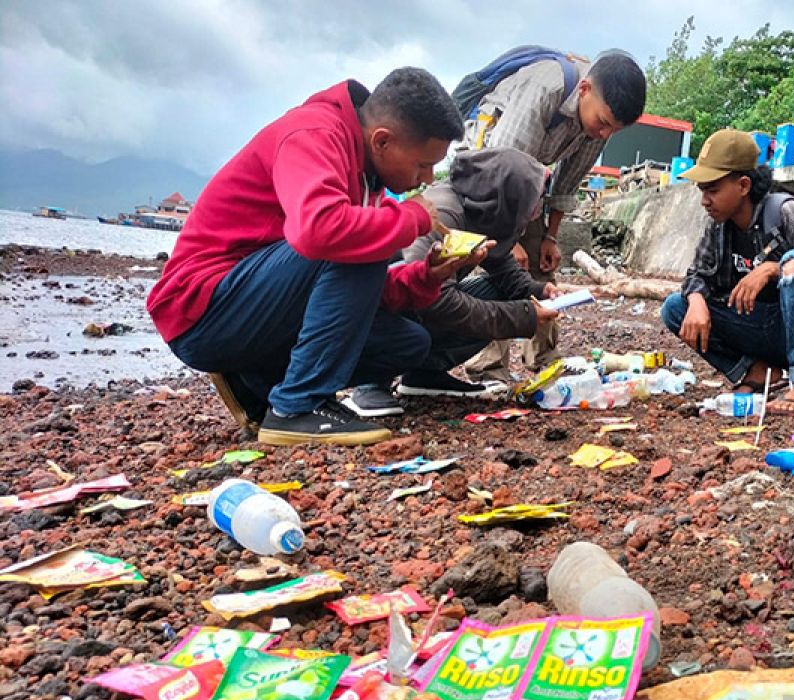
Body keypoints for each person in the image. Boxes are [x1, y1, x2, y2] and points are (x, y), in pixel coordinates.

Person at [147, 69, 479, 446]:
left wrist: (428, 277)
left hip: (258, 308)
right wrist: (412, 217)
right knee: (358, 237)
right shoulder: (314, 134)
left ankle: (256, 383)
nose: (428, 177)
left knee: (408, 343)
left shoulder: (366, 175)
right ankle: (297, 406)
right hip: (201, 311)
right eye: (422, 164)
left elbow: (347, 293)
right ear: (382, 141)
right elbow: (321, 234)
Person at [458, 49, 646, 381]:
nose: (605, 134)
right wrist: (507, 240)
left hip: (526, 181)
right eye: (603, 123)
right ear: (585, 90)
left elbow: (567, 182)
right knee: (495, 265)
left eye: (614, 129)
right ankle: (487, 365)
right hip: (486, 175)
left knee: (541, 270)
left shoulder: (597, 125)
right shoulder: (543, 87)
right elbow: (503, 168)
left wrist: (550, 237)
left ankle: (544, 356)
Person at [342, 148, 563, 415]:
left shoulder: (480, 209)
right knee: (423, 322)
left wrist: (537, 291)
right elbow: (430, 297)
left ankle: (425, 373)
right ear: (508, 195)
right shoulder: (446, 214)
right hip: (378, 310)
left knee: (505, 296)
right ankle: (371, 381)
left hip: (418, 304)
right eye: (532, 204)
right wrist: (521, 315)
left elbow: (501, 264)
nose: (534, 213)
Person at [660, 129, 794, 414]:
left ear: (743, 185)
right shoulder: (718, 226)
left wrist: (774, 268)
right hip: (767, 332)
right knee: (675, 307)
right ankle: (758, 370)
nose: (705, 200)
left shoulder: (789, 214)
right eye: (702, 191)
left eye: (713, 190)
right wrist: (696, 300)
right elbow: (698, 275)